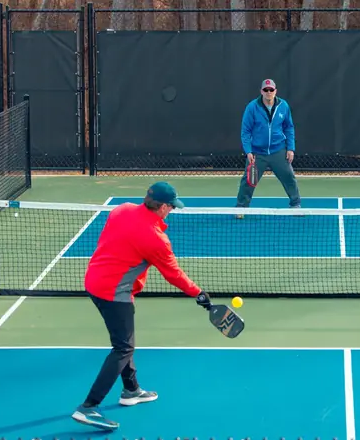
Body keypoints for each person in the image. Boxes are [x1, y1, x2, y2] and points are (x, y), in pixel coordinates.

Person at [71, 181, 212, 431]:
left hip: (94, 279)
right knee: (123, 347)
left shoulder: (121, 209)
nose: (172, 211)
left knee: (125, 340)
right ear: (162, 206)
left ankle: (131, 390)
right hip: (113, 292)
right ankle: (88, 407)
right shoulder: (155, 239)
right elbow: (173, 274)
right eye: (171, 207)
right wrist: (198, 293)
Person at [235, 78, 301, 216]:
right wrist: (248, 151)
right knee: (248, 181)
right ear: (261, 91)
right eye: (266, 90)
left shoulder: (283, 106)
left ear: (275, 91)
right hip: (257, 153)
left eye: (271, 90)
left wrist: (290, 148)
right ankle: (241, 208)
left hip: (278, 150)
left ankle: (295, 205)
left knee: (289, 177)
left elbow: (289, 127)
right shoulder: (252, 107)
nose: (268, 92)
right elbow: (245, 131)